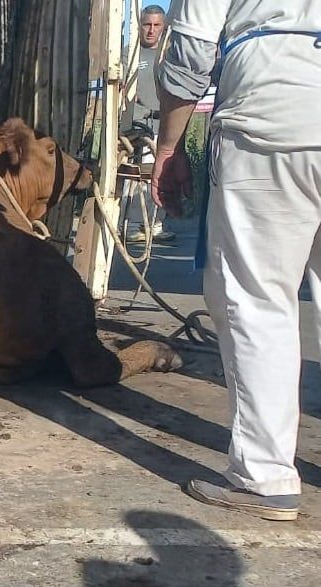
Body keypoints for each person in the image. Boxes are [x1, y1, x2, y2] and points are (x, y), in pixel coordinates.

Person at [153, 1, 321, 521]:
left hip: (273, 116)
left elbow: (192, 48)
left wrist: (169, 143)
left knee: (255, 297)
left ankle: (264, 476)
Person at [125, 5, 176, 244]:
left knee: (162, 175)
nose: (151, 30)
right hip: (138, 127)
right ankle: (133, 225)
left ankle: (156, 224)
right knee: (138, 176)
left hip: (164, 127)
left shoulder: (169, 56)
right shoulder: (129, 55)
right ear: (140, 25)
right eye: (147, 24)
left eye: (157, 25)